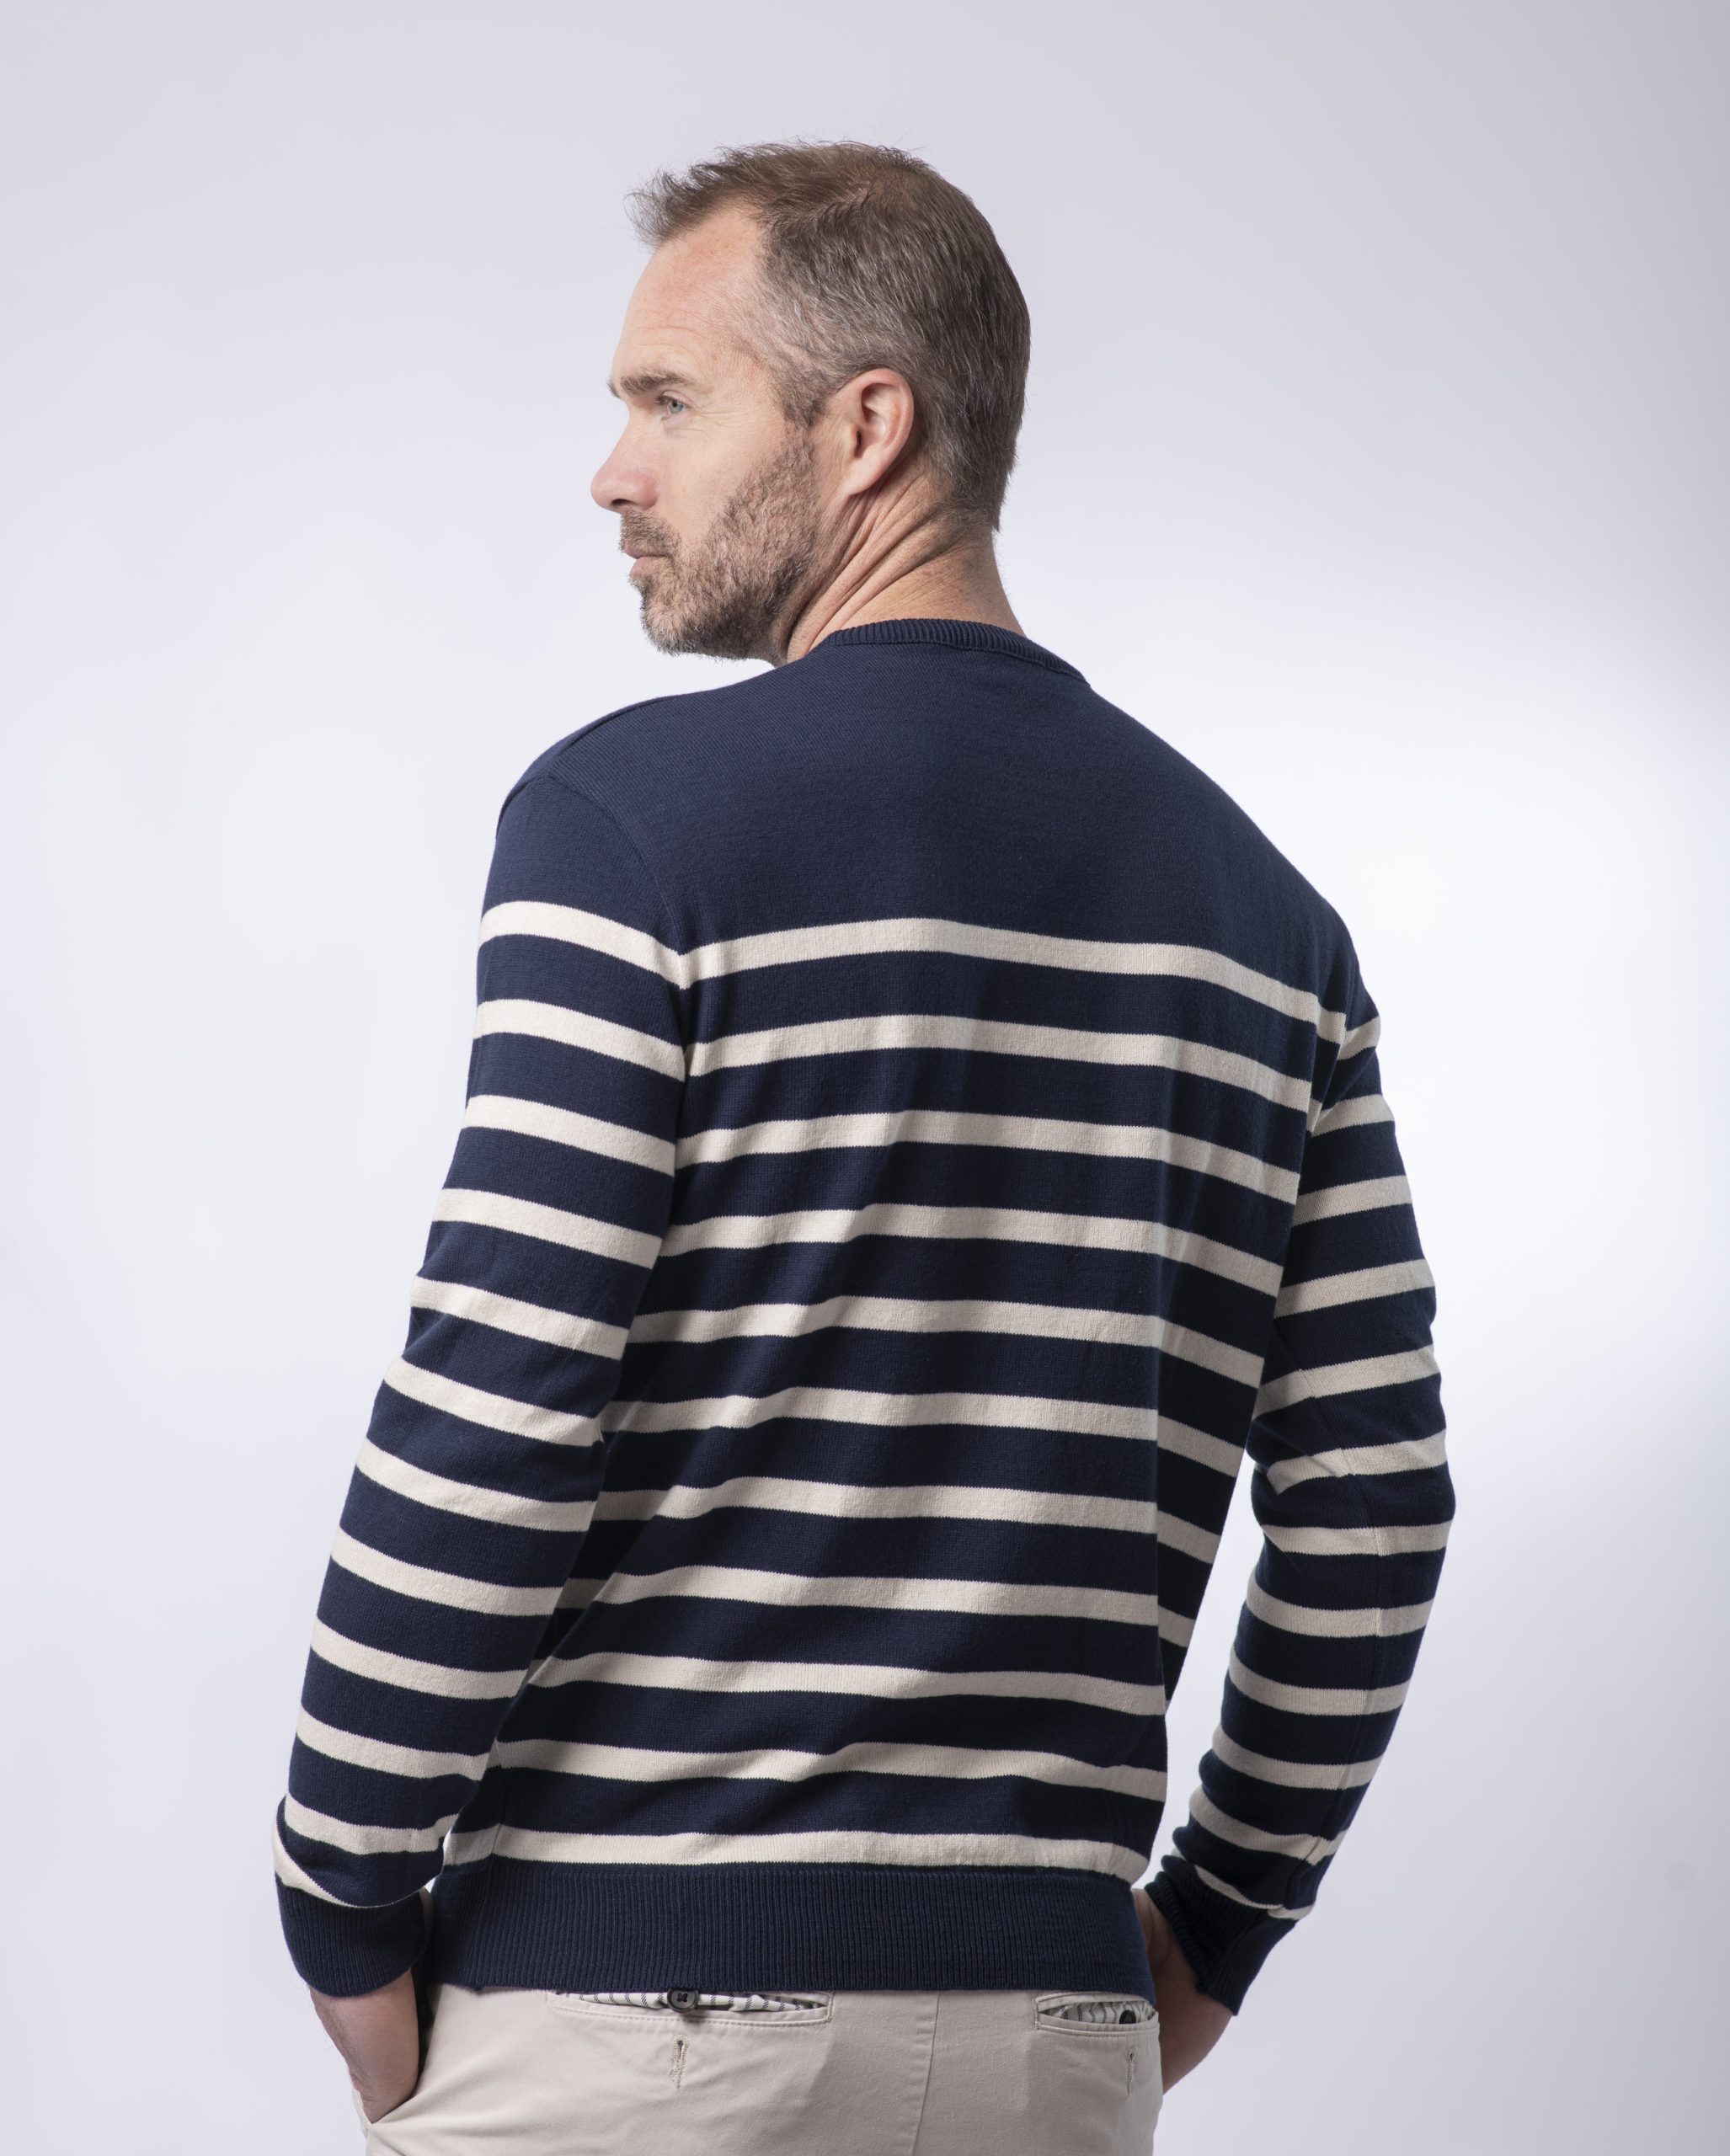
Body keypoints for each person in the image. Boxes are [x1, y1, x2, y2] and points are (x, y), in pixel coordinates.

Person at [272, 141, 1454, 2155]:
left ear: (864, 427)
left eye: (667, 400)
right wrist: (1206, 1928)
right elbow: (1373, 1501)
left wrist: (341, 1895)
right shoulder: (1267, 919)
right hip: (1051, 2044)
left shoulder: (627, 828)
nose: (612, 472)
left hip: (631, 2020)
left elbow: (501, 1403)